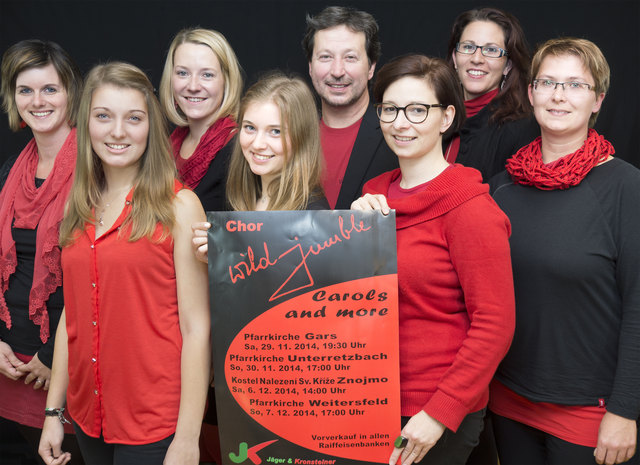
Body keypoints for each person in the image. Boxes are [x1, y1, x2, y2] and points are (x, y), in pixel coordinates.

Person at [38, 62, 210, 465]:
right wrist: (53, 411)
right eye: (103, 117)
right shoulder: (78, 205)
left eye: (133, 118)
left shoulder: (180, 206)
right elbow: (72, 315)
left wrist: (188, 438)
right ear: (87, 125)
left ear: (150, 127)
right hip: (87, 415)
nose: (117, 132)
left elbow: (197, 328)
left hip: (155, 422)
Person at [351, 54, 515, 465]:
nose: (400, 122)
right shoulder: (371, 197)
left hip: (431, 411)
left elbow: (496, 323)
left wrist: (439, 413)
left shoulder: (470, 208)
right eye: (389, 109)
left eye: (417, 110)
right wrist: (349, 235)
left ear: (445, 118)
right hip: (367, 397)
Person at [489, 38, 640, 465]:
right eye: (548, 82)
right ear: (531, 92)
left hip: (590, 408)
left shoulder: (627, 188)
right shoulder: (503, 186)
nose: (558, 95)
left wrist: (626, 409)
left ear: (597, 100)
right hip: (509, 398)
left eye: (575, 84)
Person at [0, 39, 83, 464]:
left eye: (50, 89)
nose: (38, 101)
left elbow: (98, 276)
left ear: (71, 92)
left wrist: (52, 359)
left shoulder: (96, 170)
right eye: (25, 90)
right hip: (7, 364)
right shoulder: (10, 171)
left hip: (62, 372)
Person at [192, 72, 328, 262]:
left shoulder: (312, 219)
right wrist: (216, 259)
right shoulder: (239, 200)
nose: (257, 144)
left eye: (275, 131)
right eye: (250, 128)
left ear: (301, 139)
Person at [302, 6, 398, 209]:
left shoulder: (397, 135)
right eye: (325, 57)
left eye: (350, 57)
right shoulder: (291, 137)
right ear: (310, 66)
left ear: (371, 67)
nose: (337, 71)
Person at [445, 7, 539, 180]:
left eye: (491, 50)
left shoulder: (520, 130)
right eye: (468, 47)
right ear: (455, 56)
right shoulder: (434, 117)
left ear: (508, 65)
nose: (477, 59)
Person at [159, 27, 243, 211]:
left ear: (226, 81)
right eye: (183, 73)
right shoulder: (167, 146)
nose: (193, 86)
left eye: (207, 75)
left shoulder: (240, 147)